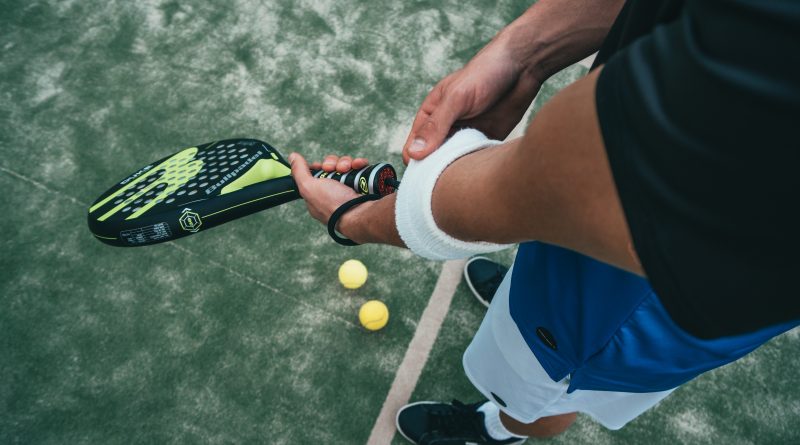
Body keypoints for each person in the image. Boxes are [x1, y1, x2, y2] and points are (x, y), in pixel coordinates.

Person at [288, 0, 800, 443]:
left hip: (632, 303)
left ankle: (502, 427)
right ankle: (522, 300)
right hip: (620, 226)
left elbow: (559, 186)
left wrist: (354, 219)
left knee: (541, 390)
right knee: (535, 286)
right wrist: (522, 53)